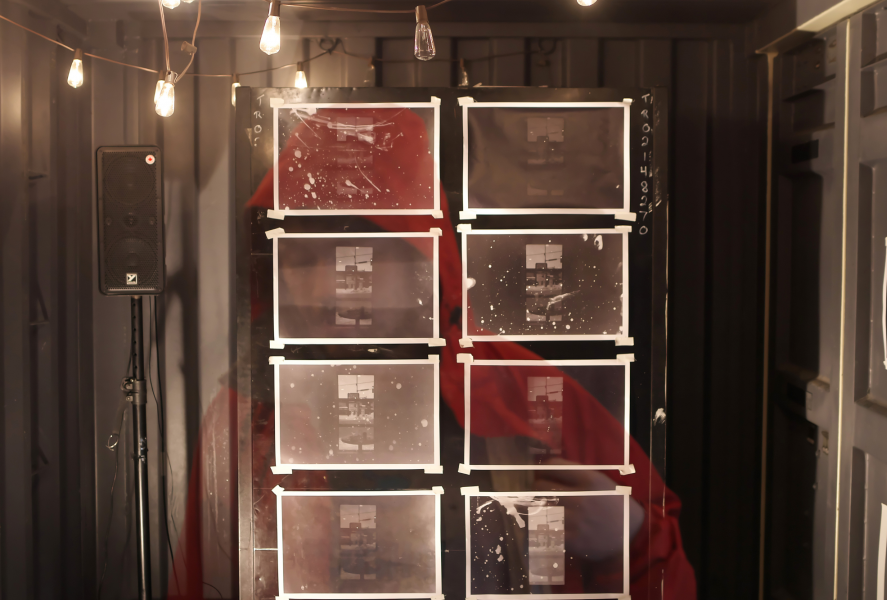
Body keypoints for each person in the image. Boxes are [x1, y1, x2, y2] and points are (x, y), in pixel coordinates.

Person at [165, 105, 696, 599]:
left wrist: (628, 535)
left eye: (361, 255)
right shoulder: (247, 415)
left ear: (422, 254)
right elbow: (200, 579)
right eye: (302, 258)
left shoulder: (520, 391)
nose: (328, 289)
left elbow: (670, 579)